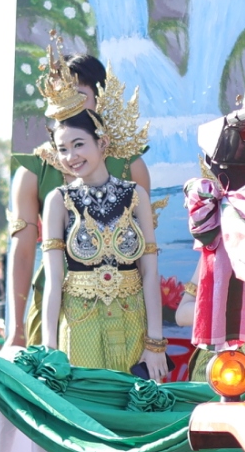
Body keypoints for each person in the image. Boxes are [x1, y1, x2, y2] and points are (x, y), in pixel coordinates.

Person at [5, 33, 152, 349]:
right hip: (55, 308)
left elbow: (144, 254)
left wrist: (153, 336)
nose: (69, 105)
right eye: (62, 95)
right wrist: (15, 333)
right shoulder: (32, 173)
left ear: (101, 99)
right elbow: (23, 253)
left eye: (80, 95)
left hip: (123, 309)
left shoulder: (131, 167)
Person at [38, 105, 169, 377]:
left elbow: (150, 272)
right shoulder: (58, 201)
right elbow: (53, 279)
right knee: (84, 397)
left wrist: (155, 343)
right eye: (62, 149)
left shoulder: (136, 196)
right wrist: (49, 347)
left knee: (135, 397)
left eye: (78, 144)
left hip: (133, 319)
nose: (71, 156)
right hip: (80, 322)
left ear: (102, 142)